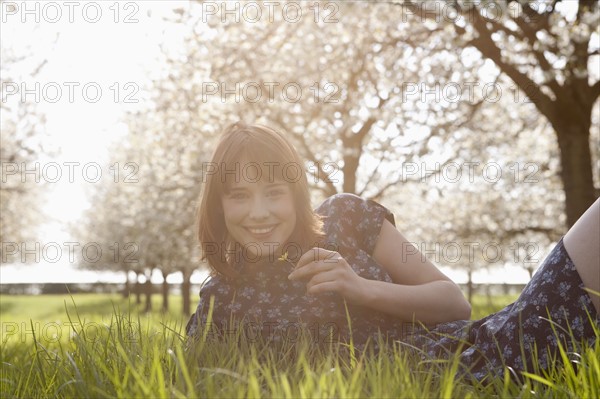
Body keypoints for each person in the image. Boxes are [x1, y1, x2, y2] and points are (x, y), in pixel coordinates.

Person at [186, 122, 599, 381]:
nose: (259, 213)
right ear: (219, 207)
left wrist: (359, 288)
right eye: (239, 196)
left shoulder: (346, 216)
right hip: (436, 386)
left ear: (295, 196)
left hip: (478, 350)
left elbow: (454, 303)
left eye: (274, 193)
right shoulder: (223, 299)